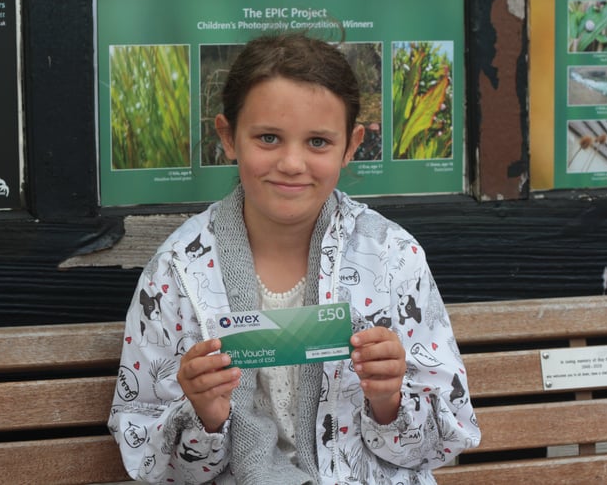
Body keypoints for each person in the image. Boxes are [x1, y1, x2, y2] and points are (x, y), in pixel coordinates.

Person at [108, 32, 480, 484]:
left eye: (318, 142)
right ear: (228, 137)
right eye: (268, 137)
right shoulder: (177, 272)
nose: (291, 162)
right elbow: (147, 453)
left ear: (351, 145)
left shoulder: (391, 259)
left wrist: (389, 400)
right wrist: (204, 414)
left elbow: (447, 437)